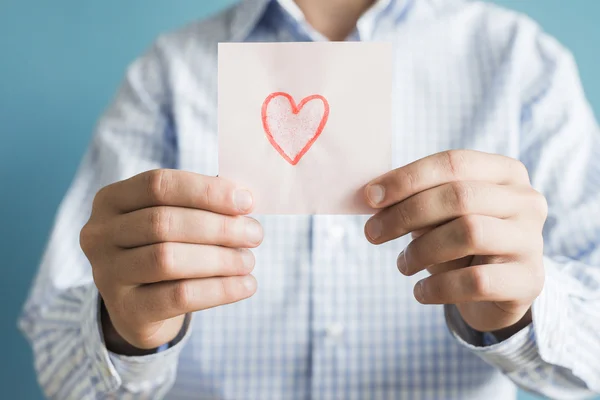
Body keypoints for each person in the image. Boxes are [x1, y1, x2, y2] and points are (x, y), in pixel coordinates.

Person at [18, 0, 600, 398]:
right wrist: (123, 330)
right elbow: (56, 354)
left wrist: (521, 311)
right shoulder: (168, 76)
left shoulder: (523, 67)